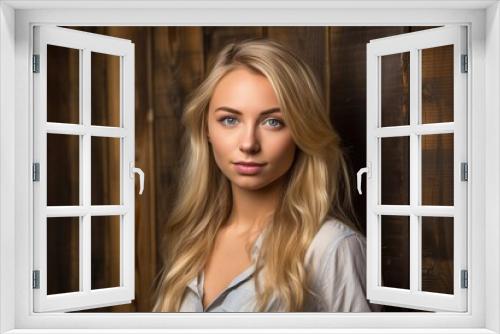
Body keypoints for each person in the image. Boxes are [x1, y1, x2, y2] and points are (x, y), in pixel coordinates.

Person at [152, 38, 381, 313]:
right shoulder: (192, 241)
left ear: (300, 132)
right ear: (206, 130)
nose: (249, 143)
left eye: (273, 122)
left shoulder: (330, 248)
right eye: (230, 120)